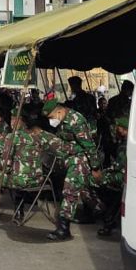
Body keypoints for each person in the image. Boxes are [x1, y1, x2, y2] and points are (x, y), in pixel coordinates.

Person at [43, 99, 99, 241]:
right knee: (83, 189)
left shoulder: (76, 121)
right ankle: (98, 209)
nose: (51, 121)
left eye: (51, 117)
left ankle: (63, 229)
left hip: (80, 159)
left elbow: (89, 145)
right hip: (69, 158)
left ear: (59, 111)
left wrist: (95, 167)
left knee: (70, 190)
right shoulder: (62, 121)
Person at [93, 116, 129, 237]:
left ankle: (103, 213)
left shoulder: (126, 145)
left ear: (123, 129)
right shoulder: (124, 141)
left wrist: (102, 173)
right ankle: (107, 215)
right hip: (123, 175)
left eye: (118, 127)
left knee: (91, 180)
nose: (116, 129)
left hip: (121, 176)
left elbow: (118, 166)